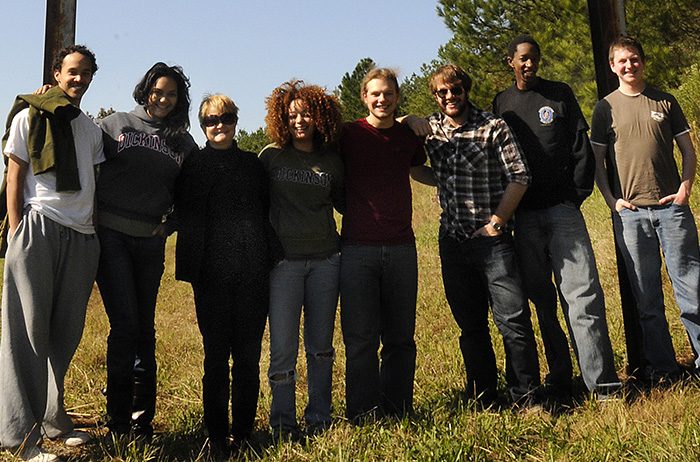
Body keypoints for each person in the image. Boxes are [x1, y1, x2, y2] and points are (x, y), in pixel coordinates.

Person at [492, 35, 620, 402]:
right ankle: (560, 380)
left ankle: (604, 386)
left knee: (583, 298)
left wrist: (575, 197)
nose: (529, 64)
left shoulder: (559, 94)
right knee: (542, 304)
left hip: (563, 212)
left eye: (534, 58)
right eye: (522, 59)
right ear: (510, 62)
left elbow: (581, 147)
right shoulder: (502, 102)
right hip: (525, 218)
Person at [0, 45, 104, 462]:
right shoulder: (30, 116)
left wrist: (91, 227)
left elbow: (93, 181)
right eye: (72, 72)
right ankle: (20, 439)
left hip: (81, 236)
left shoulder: (92, 129)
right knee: (26, 335)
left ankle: (52, 420)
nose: (79, 79)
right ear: (57, 74)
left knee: (65, 334)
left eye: (86, 73)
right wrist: (15, 228)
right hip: (38, 227)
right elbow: (15, 173)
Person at [420, 64, 541, 407]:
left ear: (465, 90)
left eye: (455, 90)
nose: (449, 97)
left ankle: (527, 397)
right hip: (453, 242)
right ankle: (484, 397)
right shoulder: (432, 130)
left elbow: (520, 175)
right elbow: (416, 165)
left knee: (513, 322)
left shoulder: (492, 126)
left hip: (492, 242)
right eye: (442, 93)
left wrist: (497, 222)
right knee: (471, 327)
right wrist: (409, 123)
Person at [175, 94, 281, 456]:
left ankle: (244, 433)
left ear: (236, 121)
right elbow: (177, 208)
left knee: (249, 360)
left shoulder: (254, 166)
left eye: (226, 118)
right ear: (202, 126)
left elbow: (267, 209)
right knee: (215, 359)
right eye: (210, 120)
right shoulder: (192, 166)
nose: (218, 125)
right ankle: (217, 436)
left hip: (252, 273)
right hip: (211, 278)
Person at [95, 63, 197, 437]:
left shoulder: (182, 142)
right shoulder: (114, 125)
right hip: (111, 237)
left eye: (171, 94)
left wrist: (169, 226)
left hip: (150, 242)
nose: (163, 99)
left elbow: (194, 194)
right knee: (125, 326)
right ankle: (118, 421)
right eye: (158, 92)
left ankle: (142, 421)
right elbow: (83, 162)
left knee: (146, 330)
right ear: (145, 90)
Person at [591, 36, 700, 382]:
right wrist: (612, 202)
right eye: (622, 61)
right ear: (613, 66)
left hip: (672, 210)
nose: (629, 66)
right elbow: (596, 163)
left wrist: (685, 189)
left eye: (634, 59)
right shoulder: (604, 108)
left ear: (642, 62)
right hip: (632, 216)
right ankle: (665, 370)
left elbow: (688, 151)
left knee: (692, 292)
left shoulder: (665, 101)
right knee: (648, 300)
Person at [340, 68, 435, 421]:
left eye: (389, 94)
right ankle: (363, 413)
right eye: (375, 94)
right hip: (356, 249)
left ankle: (397, 409)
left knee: (400, 338)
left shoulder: (407, 137)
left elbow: (421, 164)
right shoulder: (348, 134)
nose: (382, 99)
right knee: (360, 340)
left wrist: (413, 120)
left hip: (401, 248)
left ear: (397, 98)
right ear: (364, 97)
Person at [260, 81, 344, 440]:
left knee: (321, 348)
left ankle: (319, 419)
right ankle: (282, 423)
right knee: (282, 350)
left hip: (327, 261)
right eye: (292, 115)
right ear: (282, 118)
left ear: (320, 117)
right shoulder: (270, 157)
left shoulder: (331, 161)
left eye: (307, 113)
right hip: (284, 266)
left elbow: (344, 203)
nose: (300, 121)